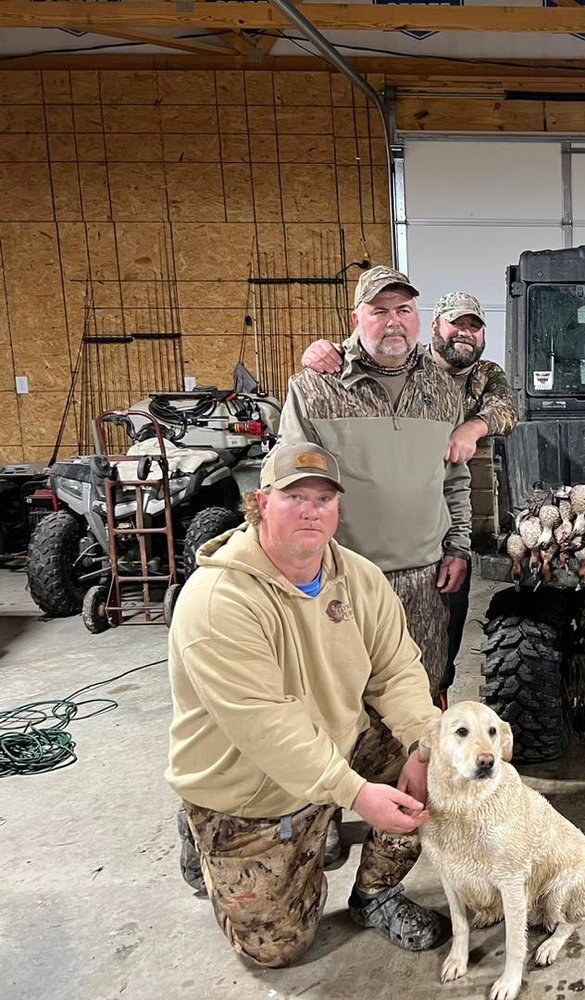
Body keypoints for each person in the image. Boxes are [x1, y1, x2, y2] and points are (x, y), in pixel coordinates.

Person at [166, 442, 445, 967]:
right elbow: (270, 731)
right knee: (279, 947)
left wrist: (424, 744)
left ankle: (374, 896)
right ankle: (204, 829)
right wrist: (356, 794)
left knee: (443, 780)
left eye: (324, 498)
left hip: (335, 741)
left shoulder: (359, 578)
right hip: (250, 779)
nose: (312, 510)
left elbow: (397, 670)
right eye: (295, 496)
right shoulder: (218, 602)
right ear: (261, 503)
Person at [301, 290, 519, 695]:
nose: (465, 334)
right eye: (457, 324)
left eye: (474, 326)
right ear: (434, 326)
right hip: (365, 546)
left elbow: (506, 408)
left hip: (450, 520)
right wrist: (324, 352)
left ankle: (435, 703)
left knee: (442, 633)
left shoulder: (485, 374)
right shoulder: (397, 363)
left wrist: (470, 428)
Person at [281, 266, 471, 708]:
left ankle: (417, 775)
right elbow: (291, 489)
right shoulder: (315, 387)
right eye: (378, 311)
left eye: (403, 310)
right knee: (344, 697)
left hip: (427, 580)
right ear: (355, 319)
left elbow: (455, 480)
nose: (393, 321)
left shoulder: (444, 390)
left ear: (418, 318)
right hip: (342, 578)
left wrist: (458, 547)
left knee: (421, 692)